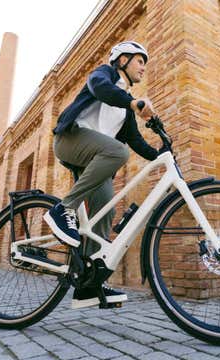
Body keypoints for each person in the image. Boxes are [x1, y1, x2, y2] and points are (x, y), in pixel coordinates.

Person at [43, 41, 161, 308]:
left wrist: (162, 154)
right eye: (139, 60)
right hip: (70, 139)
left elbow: (136, 141)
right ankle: (63, 209)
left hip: (93, 157)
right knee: (118, 152)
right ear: (122, 61)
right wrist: (134, 103)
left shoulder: (125, 105)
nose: (144, 67)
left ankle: (88, 285)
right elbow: (100, 89)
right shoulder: (104, 76)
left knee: (106, 209)